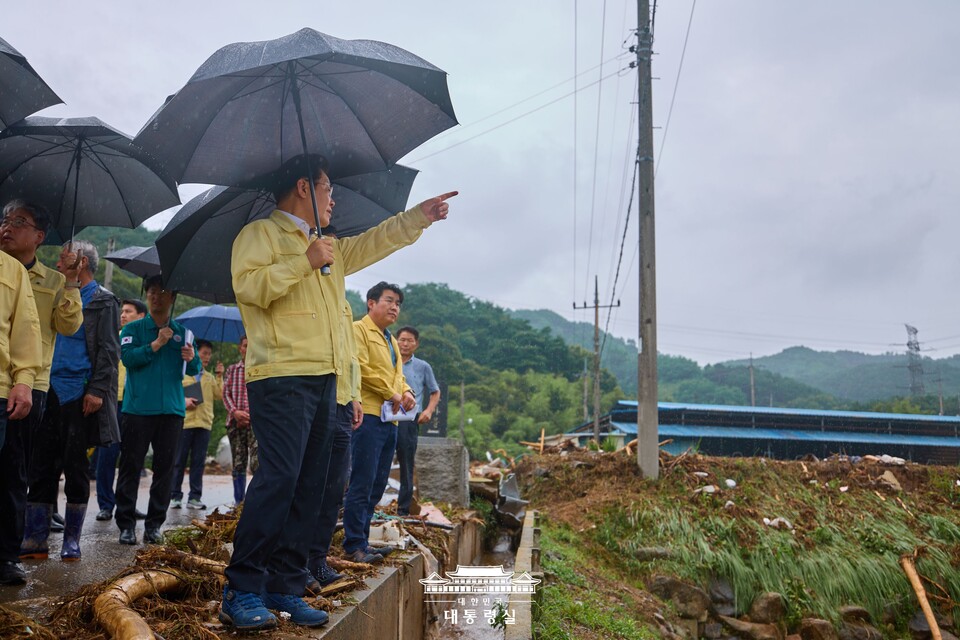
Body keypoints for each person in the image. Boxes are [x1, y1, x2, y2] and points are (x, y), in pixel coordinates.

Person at [220, 153, 455, 631]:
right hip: (281, 376)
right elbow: (249, 289)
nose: (334, 199)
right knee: (280, 479)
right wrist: (303, 262)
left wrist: (418, 219)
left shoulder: (327, 245)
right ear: (304, 188)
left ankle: (287, 585)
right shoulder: (259, 236)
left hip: (326, 380)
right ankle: (241, 589)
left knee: (313, 484)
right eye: (328, 189)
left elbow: (374, 242)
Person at [18, 239, 120, 563]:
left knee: (76, 467)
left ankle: (72, 541)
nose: (58, 264)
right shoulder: (55, 292)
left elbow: (108, 350)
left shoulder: (104, 301)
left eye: (65, 260)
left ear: (82, 264)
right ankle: (35, 538)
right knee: (40, 465)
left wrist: (97, 390)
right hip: (45, 387)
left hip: (80, 391)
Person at [115, 275, 200, 546]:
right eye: (151, 291)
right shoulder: (133, 329)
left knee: (165, 470)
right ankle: (126, 524)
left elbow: (196, 371)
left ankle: (154, 525)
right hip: (138, 409)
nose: (156, 296)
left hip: (172, 411)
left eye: (162, 291)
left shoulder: (183, 334)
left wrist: (192, 357)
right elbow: (128, 359)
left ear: (172, 298)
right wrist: (155, 344)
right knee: (130, 467)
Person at [341, 282, 415, 564]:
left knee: (378, 482)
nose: (395, 306)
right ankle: (353, 544)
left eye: (398, 302)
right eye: (389, 300)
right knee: (361, 479)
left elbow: (398, 375)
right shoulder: (359, 330)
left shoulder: (391, 340)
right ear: (371, 303)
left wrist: (407, 392)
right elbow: (361, 367)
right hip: (369, 414)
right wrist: (392, 392)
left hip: (390, 420)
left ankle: (362, 539)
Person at [304, 293, 364, 591]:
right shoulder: (312, 295)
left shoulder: (343, 304)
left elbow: (350, 357)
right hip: (317, 398)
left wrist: (355, 396)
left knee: (333, 489)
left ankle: (318, 559)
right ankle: (295, 562)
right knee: (309, 486)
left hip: (342, 403)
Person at [0, 225, 42, 585]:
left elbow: (27, 332)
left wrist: (24, 381)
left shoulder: (11, 270)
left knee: (12, 475)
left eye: (18, 222)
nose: (7, 227)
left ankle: (5, 556)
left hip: (3, 390)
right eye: (5, 220)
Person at [95, 298, 146, 521]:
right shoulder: (112, 336)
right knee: (107, 455)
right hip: (112, 402)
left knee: (132, 459)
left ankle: (128, 503)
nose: (123, 315)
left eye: (128, 311)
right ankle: (106, 504)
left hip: (135, 403)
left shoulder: (145, 339)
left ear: (141, 316)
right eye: (122, 311)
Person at [171, 339, 223, 510]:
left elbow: (219, 395)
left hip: (204, 424)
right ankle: (175, 495)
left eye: (209, 354)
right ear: (196, 352)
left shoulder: (209, 377)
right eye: (204, 353)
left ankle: (194, 497)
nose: (207, 357)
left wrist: (220, 375)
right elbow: (174, 392)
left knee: (198, 462)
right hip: (186, 423)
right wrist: (184, 401)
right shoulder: (183, 374)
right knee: (179, 461)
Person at [395, 326, 441, 516]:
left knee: (406, 463)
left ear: (416, 344)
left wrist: (429, 411)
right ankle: (371, 506)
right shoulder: (388, 360)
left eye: (409, 340)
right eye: (402, 339)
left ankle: (403, 510)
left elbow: (435, 391)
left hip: (409, 419)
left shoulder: (423, 366)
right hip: (384, 417)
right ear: (395, 340)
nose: (405, 344)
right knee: (378, 460)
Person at [221, 335, 257, 505]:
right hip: (235, 422)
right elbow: (225, 393)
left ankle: (257, 501)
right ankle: (239, 503)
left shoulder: (259, 370)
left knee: (257, 462)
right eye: (244, 345)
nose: (247, 349)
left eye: (251, 346)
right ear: (240, 348)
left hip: (255, 422)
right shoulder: (232, 370)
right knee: (238, 462)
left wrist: (249, 415)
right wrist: (235, 412)